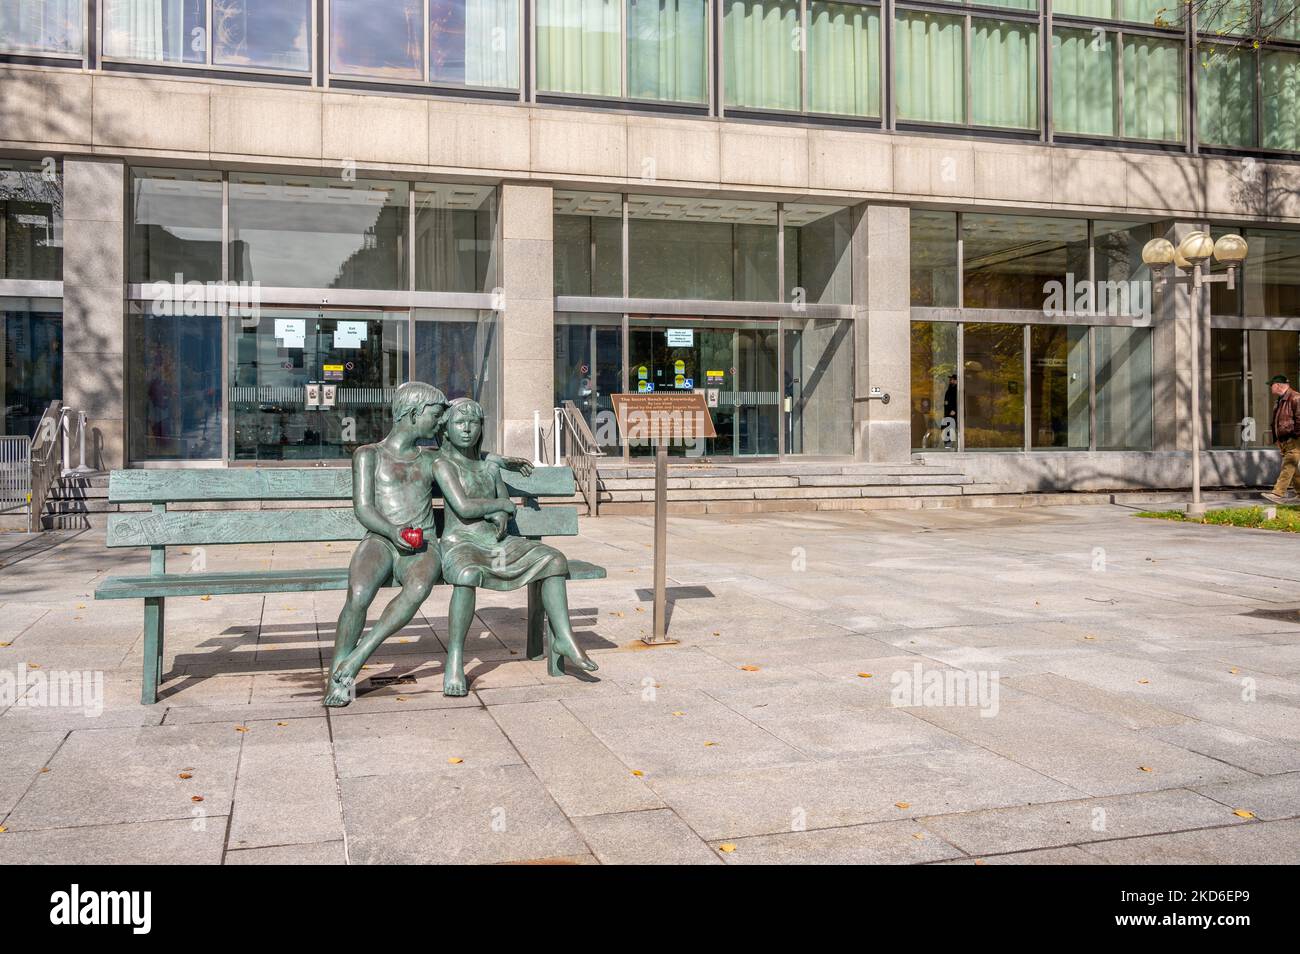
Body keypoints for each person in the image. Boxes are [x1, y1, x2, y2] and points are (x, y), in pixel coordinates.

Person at [323, 382, 531, 707]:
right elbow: (363, 508)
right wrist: (392, 532)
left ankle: (358, 656)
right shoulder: (368, 454)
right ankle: (338, 674)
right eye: (435, 416)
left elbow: (468, 454)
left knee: (419, 587)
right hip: (380, 539)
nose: (439, 424)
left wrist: (499, 460)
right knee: (360, 593)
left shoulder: (432, 459)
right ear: (414, 413)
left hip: (423, 544)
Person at [434, 397, 598, 696]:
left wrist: (500, 512)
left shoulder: (490, 467)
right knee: (468, 575)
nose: (467, 429)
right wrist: (500, 505)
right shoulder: (443, 465)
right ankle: (455, 658)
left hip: (497, 544)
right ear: (446, 430)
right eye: (459, 423)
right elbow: (464, 506)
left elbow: (504, 506)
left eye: (473, 422)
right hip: (462, 545)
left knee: (553, 559)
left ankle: (563, 637)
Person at [1262, 374, 1300, 505]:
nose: (1270, 388)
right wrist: (1278, 439)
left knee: (1289, 464)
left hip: (1295, 439)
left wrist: (1294, 435)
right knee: (1293, 468)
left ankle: (1278, 493)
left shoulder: (1295, 397)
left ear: (1277, 385)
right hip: (1285, 440)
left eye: (1271, 385)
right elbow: (1278, 422)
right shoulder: (1281, 400)